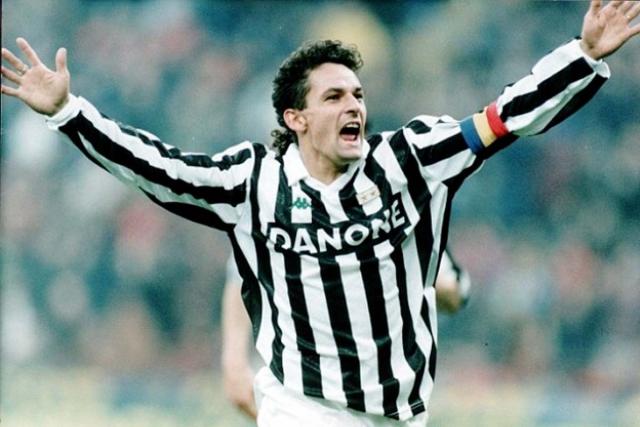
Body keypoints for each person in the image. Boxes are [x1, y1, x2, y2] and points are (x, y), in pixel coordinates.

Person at [2, 1, 638, 425]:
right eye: (333, 97)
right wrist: (69, 113)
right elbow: (159, 168)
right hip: (302, 408)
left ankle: (442, 275)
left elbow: (505, 116)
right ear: (296, 118)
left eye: (357, 94)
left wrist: (582, 55)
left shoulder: (412, 158)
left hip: (402, 412)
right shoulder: (252, 182)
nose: (353, 105)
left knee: (440, 282)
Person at [221, 250, 471, 421]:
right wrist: (234, 359)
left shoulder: (402, 201)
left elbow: (453, 291)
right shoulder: (279, 198)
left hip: (382, 389)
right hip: (304, 382)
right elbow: (245, 261)